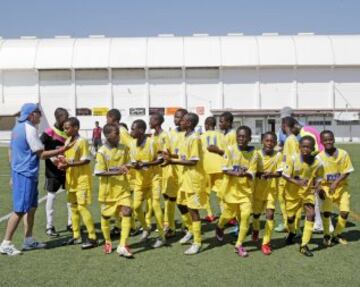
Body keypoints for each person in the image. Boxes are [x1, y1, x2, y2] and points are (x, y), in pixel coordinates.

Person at [0, 103, 71, 256]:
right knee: (19, 210)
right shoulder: (30, 129)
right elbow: (41, 154)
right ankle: (6, 243)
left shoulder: (16, 128)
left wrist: (13, 174)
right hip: (25, 174)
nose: (40, 115)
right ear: (31, 114)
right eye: (38, 112)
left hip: (24, 173)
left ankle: (28, 239)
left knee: (31, 208)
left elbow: (11, 151)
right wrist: (62, 150)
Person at [164, 113, 207, 255]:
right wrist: (170, 157)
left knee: (193, 211)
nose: (180, 122)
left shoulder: (195, 138)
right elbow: (183, 156)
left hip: (194, 180)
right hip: (184, 179)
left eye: (182, 120)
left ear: (189, 123)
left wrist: (173, 161)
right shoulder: (184, 136)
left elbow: (193, 161)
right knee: (181, 205)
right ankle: (190, 231)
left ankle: (197, 242)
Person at [215, 126, 257, 257]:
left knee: (245, 217)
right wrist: (236, 173)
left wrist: (245, 175)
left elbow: (252, 172)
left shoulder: (254, 153)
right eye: (239, 136)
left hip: (246, 192)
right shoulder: (230, 149)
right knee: (227, 216)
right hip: (230, 191)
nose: (241, 139)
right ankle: (220, 226)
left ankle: (239, 244)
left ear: (250, 138)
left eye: (244, 137)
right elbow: (224, 169)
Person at [94, 123, 133, 257]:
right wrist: (117, 172)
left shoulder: (124, 148)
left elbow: (129, 163)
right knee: (105, 216)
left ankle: (123, 245)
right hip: (108, 191)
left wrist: (128, 166)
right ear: (108, 135)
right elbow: (99, 172)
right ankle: (108, 241)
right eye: (116, 133)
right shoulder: (102, 152)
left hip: (123, 188)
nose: (119, 135)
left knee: (127, 212)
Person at [282, 136, 324, 257]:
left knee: (311, 214)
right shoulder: (293, 158)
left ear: (312, 148)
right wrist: (297, 182)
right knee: (290, 217)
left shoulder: (318, 162)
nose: (305, 149)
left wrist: (317, 186)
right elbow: (285, 175)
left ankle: (304, 245)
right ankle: (291, 232)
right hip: (292, 193)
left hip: (307, 192)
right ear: (299, 147)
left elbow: (319, 176)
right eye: (303, 146)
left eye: (308, 147)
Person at [59, 117, 97, 249]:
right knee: (73, 208)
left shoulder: (82, 141)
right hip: (71, 181)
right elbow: (67, 158)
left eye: (67, 128)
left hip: (82, 181)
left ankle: (92, 237)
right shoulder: (68, 141)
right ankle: (76, 236)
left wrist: (68, 164)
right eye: (64, 128)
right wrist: (62, 163)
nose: (65, 130)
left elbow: (86, 160)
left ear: (76, 128)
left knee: (82, 208)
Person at [129, 119, 166, 248]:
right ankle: (146, 228)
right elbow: (133, 161)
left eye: (133, 129)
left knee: (156, 205)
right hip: (140, 181)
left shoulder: (152, 142)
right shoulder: (132, 143)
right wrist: (134, 165)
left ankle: (162, 236)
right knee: (136, 207)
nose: (131, 131)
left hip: (154, 179)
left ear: (141, 130)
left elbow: (161, 160)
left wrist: (145, 164)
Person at [40, 107, 72, 237]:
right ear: (57, 118)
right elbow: (40, 151)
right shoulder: (48, 133)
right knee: (51, 196)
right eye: (64, 118)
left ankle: (71, 223)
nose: (66, 121)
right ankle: (49, 226)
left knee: (70, 197)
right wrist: (54, 159)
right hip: (52, 171)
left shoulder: (69, 132)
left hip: (68, 170)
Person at [318, 130, 354, 246]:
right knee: (327, 213)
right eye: (325, 140)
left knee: (345, 211)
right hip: (326, 188)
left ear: (334, 139)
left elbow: (347, 171)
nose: (328, 142)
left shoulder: (343, 154)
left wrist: (336, 182)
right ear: (321, 142)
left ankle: (337, 234)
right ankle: (327, 235)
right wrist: (319, 189)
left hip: (341, 187)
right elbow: (316, 176)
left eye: (330, 139)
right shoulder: (319, 157)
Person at [252, 132, 283, 255]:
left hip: (271, 190)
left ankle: (265, 243)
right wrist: (258, 173)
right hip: (257, 190)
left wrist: (270, 174)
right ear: (262, 141)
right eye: (267, 140)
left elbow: (280, 172)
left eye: (272, 141)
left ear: (275, 143)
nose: (269, 143)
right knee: (255, 215)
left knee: (270, 215)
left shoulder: (278, 155)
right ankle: (255, 229)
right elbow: (252, 170)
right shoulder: (257, 154)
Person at [106, 109, 133, 236]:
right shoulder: (115, 131)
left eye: (107, 118)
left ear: (112, 118)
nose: (106, 121)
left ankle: (130, 226)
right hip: (117, 170)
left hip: (124, 171)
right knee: (118, 200)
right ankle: (119, 225)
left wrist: (128, 164)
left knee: (125, 200)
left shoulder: (121, 131)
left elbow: (131, 146)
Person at [200, 116, 225, 222]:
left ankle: (210, 214)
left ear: (206, 125)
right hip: (219, 166)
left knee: (206, 193)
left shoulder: (201, 137)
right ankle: (225, 215)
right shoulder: (221, 135)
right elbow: (224, 151)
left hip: (206, 167)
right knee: (221, 192)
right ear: (214, 125)